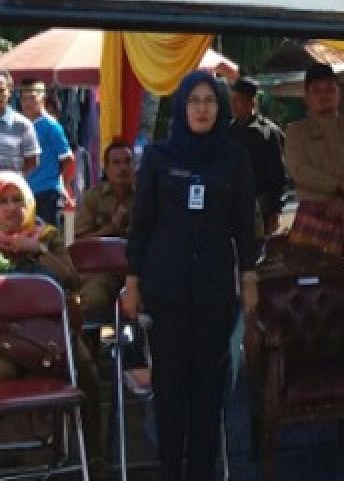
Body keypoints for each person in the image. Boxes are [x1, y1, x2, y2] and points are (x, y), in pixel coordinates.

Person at [122, 70, 258, 481]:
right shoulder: (161, 157)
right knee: (170, 389)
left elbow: (245, 226)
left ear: (220, 107)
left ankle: (202, 471)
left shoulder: (235, 158)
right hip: (166, 289)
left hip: (215, 291)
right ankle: (169, 471)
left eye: (210, 101)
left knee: (208, 390)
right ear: (181, 106)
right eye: (195, 100)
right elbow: (141, 223)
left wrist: (249, 278)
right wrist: (133, 281)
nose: (202, 108)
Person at [0, 170, 106, 476]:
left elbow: (72, 279)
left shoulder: (47, 235)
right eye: (3, 201)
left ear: (29, 203)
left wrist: (38, 252)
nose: (10, 208)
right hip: (6, 342)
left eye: (17, 200)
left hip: (49, 339)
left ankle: (93, 456)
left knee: (86, 373)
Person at [285, 63, 344, 261]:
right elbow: (299, 170)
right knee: (308, 281)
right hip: (313, 218)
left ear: (339, 93)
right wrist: (339, 185)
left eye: (330, 89)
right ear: (306, 97)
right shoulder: (295, 131)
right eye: (316, 90)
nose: (324, 95)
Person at [74, 140, 136, 316]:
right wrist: (111, 228)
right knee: (92, 298)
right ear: (106, 169)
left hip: (136, 271)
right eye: (116, 163)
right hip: (101, 270)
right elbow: (78, 243)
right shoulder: (93, 198)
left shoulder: (145, 197)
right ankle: (87, 343)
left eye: (127, 161)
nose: (122, 168)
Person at [228, 76, 288, 238]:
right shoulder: (227, 133)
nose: (233, 105)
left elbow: (277, 174)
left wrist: (275, 210)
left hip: (260, 206)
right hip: (230, 205)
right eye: (232, 100)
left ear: (251, 102)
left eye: (238, 100)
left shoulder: (268, 133)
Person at [19, 79, 74, 230]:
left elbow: (68, 159)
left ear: (42, 99)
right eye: (24, 98)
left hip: (48, 192)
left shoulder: (51, 126)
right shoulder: (23, 126)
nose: (27, 103)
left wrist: (62, 182)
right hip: (27, 192)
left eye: (32, 98)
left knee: (47, 238)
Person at [0, 71, 39, 176]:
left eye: (1, 90)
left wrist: (15, 177)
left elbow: (32, 161)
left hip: (11, 189)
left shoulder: (23, 124)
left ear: (10, 92)